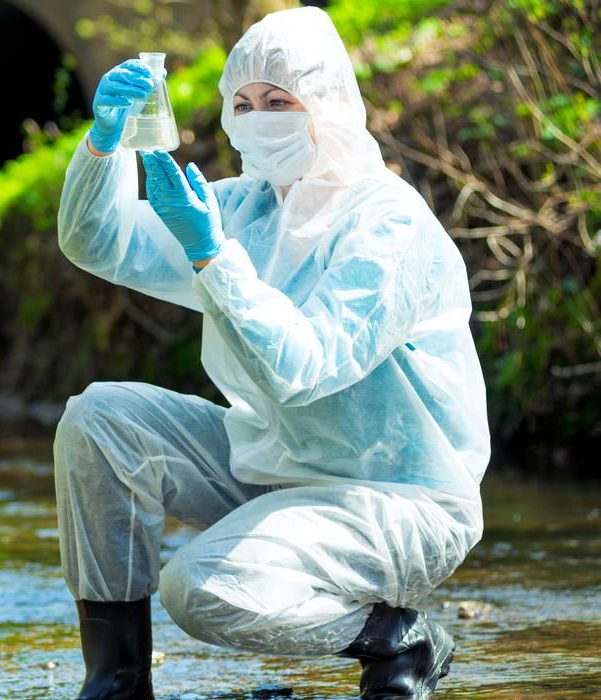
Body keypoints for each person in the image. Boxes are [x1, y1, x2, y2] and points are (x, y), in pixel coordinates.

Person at [54, 6, 488, 700]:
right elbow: (99, 242)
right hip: (275, 469)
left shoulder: (388, 225)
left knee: (200, 590)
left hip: (396, 502)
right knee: (100, 418)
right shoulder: (243, 210)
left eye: (278, 101)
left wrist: (209, 255)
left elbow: (302, 370)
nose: (258, 118)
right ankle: (117, 679)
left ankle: (396, 638)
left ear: (325, 103)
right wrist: (105, 148)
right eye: (242, 103)